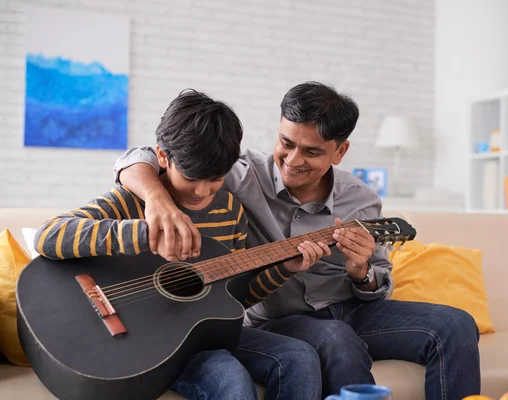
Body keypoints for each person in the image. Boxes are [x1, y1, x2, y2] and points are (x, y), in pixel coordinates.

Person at [113, 82, 481, 400]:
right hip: (280, 319)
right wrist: (156, 200)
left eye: (312, 151)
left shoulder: (362, 200)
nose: (292, 160)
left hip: (353, 311)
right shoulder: (239, 173)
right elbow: (145, 155)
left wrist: (362, 271)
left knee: (456, 324)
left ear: (340, 151)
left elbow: (378, 285)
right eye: (286, 143)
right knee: (334, 337)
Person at [34, 89, 326, 400]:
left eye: (215, 178)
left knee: (301, 357)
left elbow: (233, 300)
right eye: (191, 176)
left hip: (203, 333)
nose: (202, 191)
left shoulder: (230, 211)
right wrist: (145, 233)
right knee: (231, 378)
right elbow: (48, 235)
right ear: (162, 157)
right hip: (146, 340)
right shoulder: (131, 200)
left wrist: (283, 269)